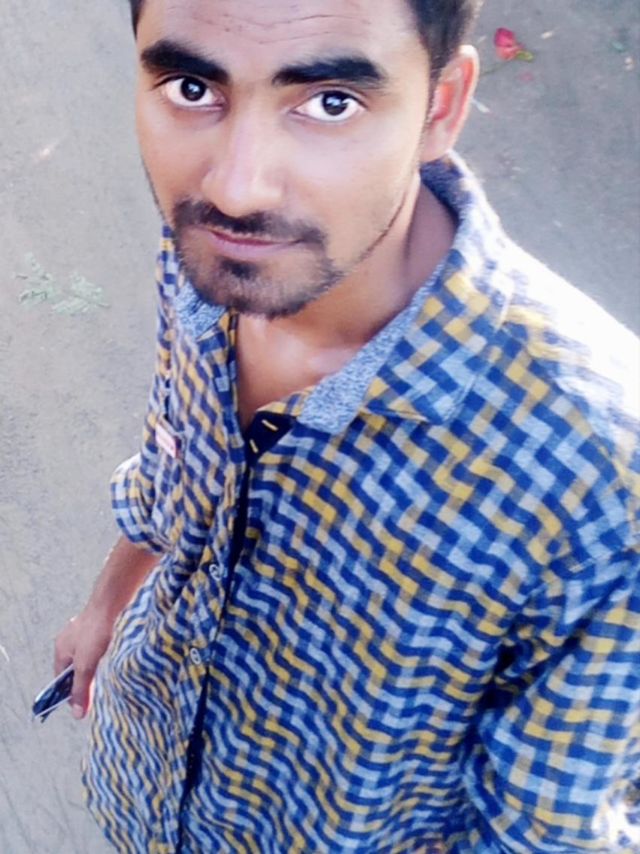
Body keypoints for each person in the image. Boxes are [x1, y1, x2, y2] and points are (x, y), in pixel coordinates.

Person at [54, 0, 640, 851]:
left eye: (331, 101)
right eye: (191, 87)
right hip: (140, 779)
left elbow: (545, 833)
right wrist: (107, 603)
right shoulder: (219, 256)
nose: (237, 187)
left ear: (441, 106)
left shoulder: (604, 483)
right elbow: (174, 467)